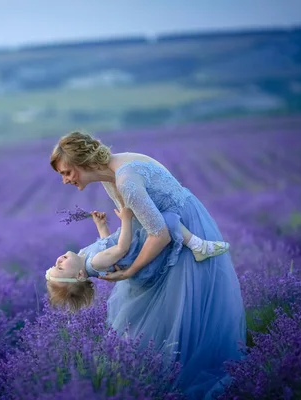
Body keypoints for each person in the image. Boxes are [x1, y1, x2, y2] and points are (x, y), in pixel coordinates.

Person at [49, 131, 247, 400]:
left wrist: (130, 271)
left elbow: (161, 234)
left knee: (181, 309)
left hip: (179, 232)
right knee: (168, 313)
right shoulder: (113, 175)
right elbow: (137, 224)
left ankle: (179, 379)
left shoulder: (125, 181)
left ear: (82, 161)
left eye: (67, 172)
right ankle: (163, 378)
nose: (65, 180)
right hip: (169, 227)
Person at [45, 208, 230, 312]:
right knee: (165, 220)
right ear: (79, 275)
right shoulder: (94, 263)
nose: (59, 261)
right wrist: (126, 219)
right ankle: (199, 246)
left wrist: (101, 226)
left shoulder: (85, 256)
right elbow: (121, 248)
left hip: (131, 243)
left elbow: (106, 245)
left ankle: (195, 243)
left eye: (55, 265)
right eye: (60, 268)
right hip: (135, 246)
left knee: (161, 218)